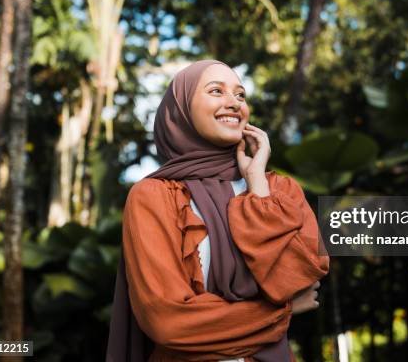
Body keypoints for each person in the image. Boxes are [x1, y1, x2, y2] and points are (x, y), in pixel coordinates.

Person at [106, 60, 329, 362]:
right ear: (181, 110)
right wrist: (280, 311)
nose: (233, 103)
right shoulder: (153, 196)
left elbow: (299, 279)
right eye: (216, 91)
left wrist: (257, 188)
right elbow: (168, 321)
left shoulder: (278, 191)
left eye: (240, 95)